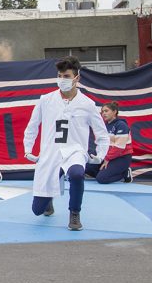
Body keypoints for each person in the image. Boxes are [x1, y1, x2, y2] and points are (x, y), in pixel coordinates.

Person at [23, 56, 110, 231]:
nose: (62, 80)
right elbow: (32, 127)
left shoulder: (88, 104)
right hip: (51, 152)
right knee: (37, 210)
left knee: (77, 174)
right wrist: (28, 149)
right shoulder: (45, 100)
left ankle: (75, 213)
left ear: (77, 78)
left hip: (75, 151)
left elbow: (101, 133)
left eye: (67, 76)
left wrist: (100, 154)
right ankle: (48, 200)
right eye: (59, 75)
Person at [85, 102, 133, 184]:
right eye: (102, 112)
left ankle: (125, 172)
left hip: (121, 157)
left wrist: (107, 159)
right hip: (108, 156)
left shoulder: (121, 125)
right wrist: (100, 157)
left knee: (101, 179)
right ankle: (105, 173)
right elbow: (102, 144)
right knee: (85, 167)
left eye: (106, 111)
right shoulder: (104, 126)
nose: (103, 114)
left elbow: (119, 147)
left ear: (114, 112)